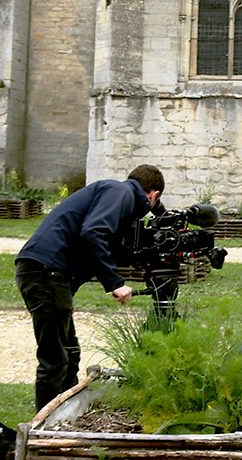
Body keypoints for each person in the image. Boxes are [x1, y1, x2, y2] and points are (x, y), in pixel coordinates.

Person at [15, 164, 164, 410]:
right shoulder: (121, 192)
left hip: (47, 272)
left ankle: (66, 413)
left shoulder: (115, 194)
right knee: (54, 358)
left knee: (69, 353)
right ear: (153, 194)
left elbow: (100, 241)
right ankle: (44, 428)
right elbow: (94, 232)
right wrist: (115, 283)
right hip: (45, 272)